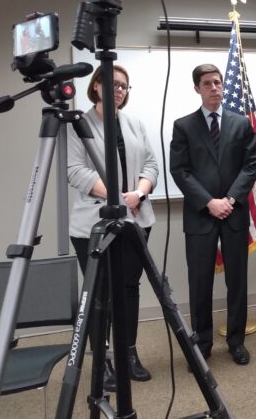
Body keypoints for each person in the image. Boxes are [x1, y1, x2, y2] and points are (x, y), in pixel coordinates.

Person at [67, 64, 158, 391]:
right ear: (96, 87)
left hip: (136, 219)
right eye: (113, 83)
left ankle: (129, 354)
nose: (119, 89)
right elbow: (75, 170)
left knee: (129, 289)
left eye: (124, 86)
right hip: (93, 223)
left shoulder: (135, 124)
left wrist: (140, 192)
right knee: (99, 294)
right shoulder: (79, 124)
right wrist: (117, 196)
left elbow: (151, 164)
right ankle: (102, 361)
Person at [170, 63, 256, 365]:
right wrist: (209, 202)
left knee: (237, 281)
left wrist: (230, 199)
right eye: (207, 84)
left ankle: (236, 341)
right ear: (197, 88)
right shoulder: (183, 126)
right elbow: (179, 171)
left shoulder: (240, 123)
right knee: (200, 282)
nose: (215, 89)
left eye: (218, 83)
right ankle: (203, 342)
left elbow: (251, 165)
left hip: (233, 214)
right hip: (201, 216)